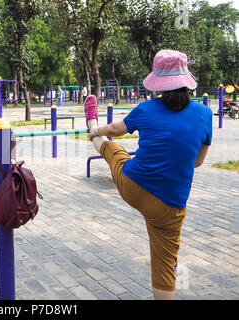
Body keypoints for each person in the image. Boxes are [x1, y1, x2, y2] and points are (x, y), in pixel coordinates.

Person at [83, 50, 212, 300]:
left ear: (159, 85)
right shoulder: (205, 115)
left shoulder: (145, 109)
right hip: (169, 205)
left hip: (134, 185)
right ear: (187, 82)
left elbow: (115, 130)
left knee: (113, 149)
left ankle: (90, 123)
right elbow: (197, 162)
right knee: (165, 265)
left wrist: (97, 129)